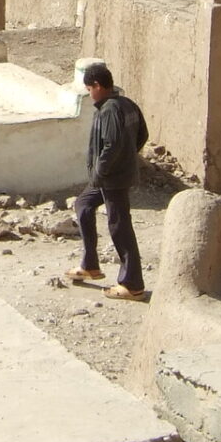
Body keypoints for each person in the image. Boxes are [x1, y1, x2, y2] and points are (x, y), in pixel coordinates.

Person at [66, 63, 150, 300]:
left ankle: (132, 284)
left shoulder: (110, 110)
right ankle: (90, 265)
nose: (89, 94)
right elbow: (143, 135)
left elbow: (111, 144)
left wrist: (104, 170)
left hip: (112, 178)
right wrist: (126, 157)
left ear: (98, 86)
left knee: (119, 226)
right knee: (83, 204)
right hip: (108, 176)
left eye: (89, 89)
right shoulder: (127, 104)